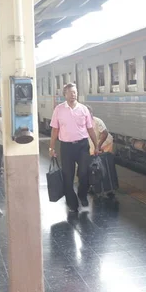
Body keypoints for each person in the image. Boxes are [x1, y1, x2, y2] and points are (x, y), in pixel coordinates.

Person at [49, 83, 100, 213]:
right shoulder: (59, 110)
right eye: (71, 92)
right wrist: (51, 147)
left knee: (84, 173)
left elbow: (90, 129)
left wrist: (96, 145)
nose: (74, 94)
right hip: (66, 147)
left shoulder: (84, 109)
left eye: (75, 92)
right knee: (68, 176)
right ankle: (72, 203)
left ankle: (82, 195)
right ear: (65, 94)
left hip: (82, 145)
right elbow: (55, 130)